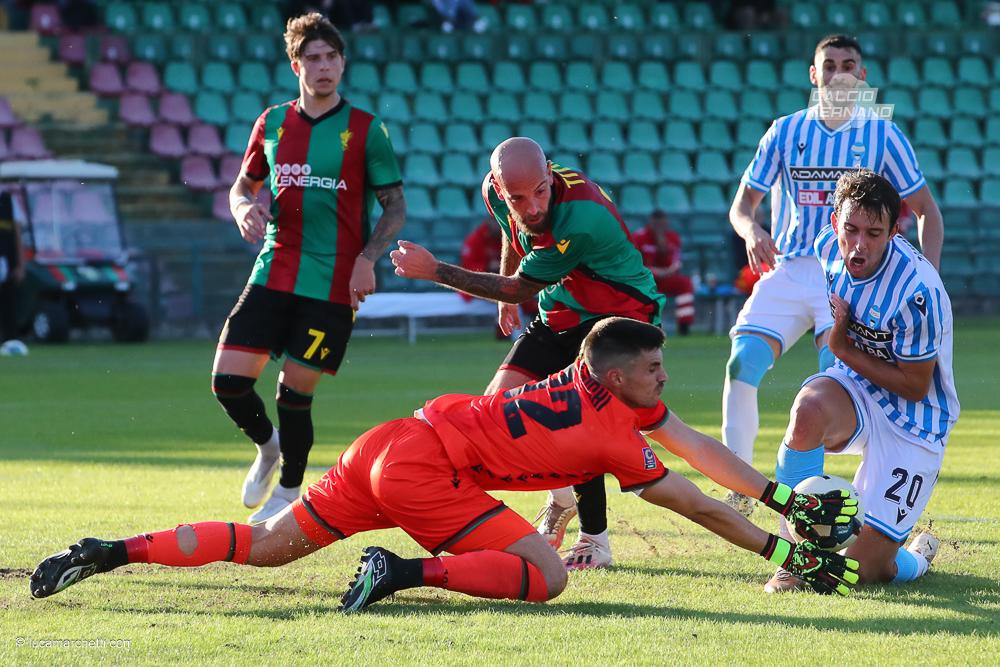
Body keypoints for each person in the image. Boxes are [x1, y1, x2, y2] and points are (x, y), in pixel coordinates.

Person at [30, 318, 860, 608]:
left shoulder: (592, 388)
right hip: (429, 475)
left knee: (269, 544)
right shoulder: (613, 429)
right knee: (546, 574)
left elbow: (695, 447)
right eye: (652, 371)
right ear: (615, 377)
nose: (662, 383)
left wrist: (783, 495)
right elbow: (701, 504)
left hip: (392, 440)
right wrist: (790, 550)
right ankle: (401, 571)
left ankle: (110, 551)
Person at [391, 137, 666, 570]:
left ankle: (595, 541)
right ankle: (558, 498)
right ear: (500, 188)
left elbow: (522, 285)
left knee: (581, 420)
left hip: (618, 313)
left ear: (549, 175)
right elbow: (511, 229)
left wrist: (436, 271)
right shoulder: (497, 194)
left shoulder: (580, 215)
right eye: (519, 196)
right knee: (492, 415)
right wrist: (506, 297)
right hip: (560, 308)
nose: (534, 205)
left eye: (541, 191)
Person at [722, 34, 944, 514]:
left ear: (861, 78)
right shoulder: (784, 130)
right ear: (813, 74)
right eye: (829, 64)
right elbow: (743, 205)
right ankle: (739, 487)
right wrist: (750, 230)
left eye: (849, 65)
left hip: (845, 273)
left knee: (836, 383)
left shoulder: (883, 135)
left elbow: (927, 210)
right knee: (742, 365)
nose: (838, 72)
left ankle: (826, 500)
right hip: (787, 267)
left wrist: (929, 275)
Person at [213, 13, 405, 524]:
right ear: (296, 64)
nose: (324, 67)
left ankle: (291, 489)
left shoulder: (366, 130)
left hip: (334, 282)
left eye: (332, 57)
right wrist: (242, 209)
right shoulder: (272, 123)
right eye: (313, 58)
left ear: (342, 63)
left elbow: (394, 205)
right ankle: (268, 447)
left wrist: (367, 260)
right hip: (274, 269)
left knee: (294, 391)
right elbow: (242, 187)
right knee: (227, 382)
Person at [763, 169, 958, 591]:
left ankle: (913, 558)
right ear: (835, 223)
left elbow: (914, 386)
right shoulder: (825, 247)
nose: (859, 244)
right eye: (850, 229)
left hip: (915, 420)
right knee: (808, 409)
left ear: (893, 231)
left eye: (873, 233)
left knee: (863, 572)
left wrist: (844, 347)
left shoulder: (917, 290)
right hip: (859, 390)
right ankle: (794, 557)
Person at [631, 210, 696, 335]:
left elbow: (677, 260)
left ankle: (684, 325)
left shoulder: (672, 237)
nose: (660, 226)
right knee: (640, 288)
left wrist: (670, 266)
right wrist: (655, 271)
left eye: (662, 223)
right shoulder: (639, 237)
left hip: (667, 277)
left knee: (685, 283)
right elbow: (637, 263)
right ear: (651, 222)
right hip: (647, 279)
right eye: (657, 223)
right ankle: (646, 325)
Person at [0, 190, 27, 355]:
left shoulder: (8, 201)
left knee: (8, 304)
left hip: (6, 263)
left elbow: (17, 234)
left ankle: (10, 342)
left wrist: (20, 265)